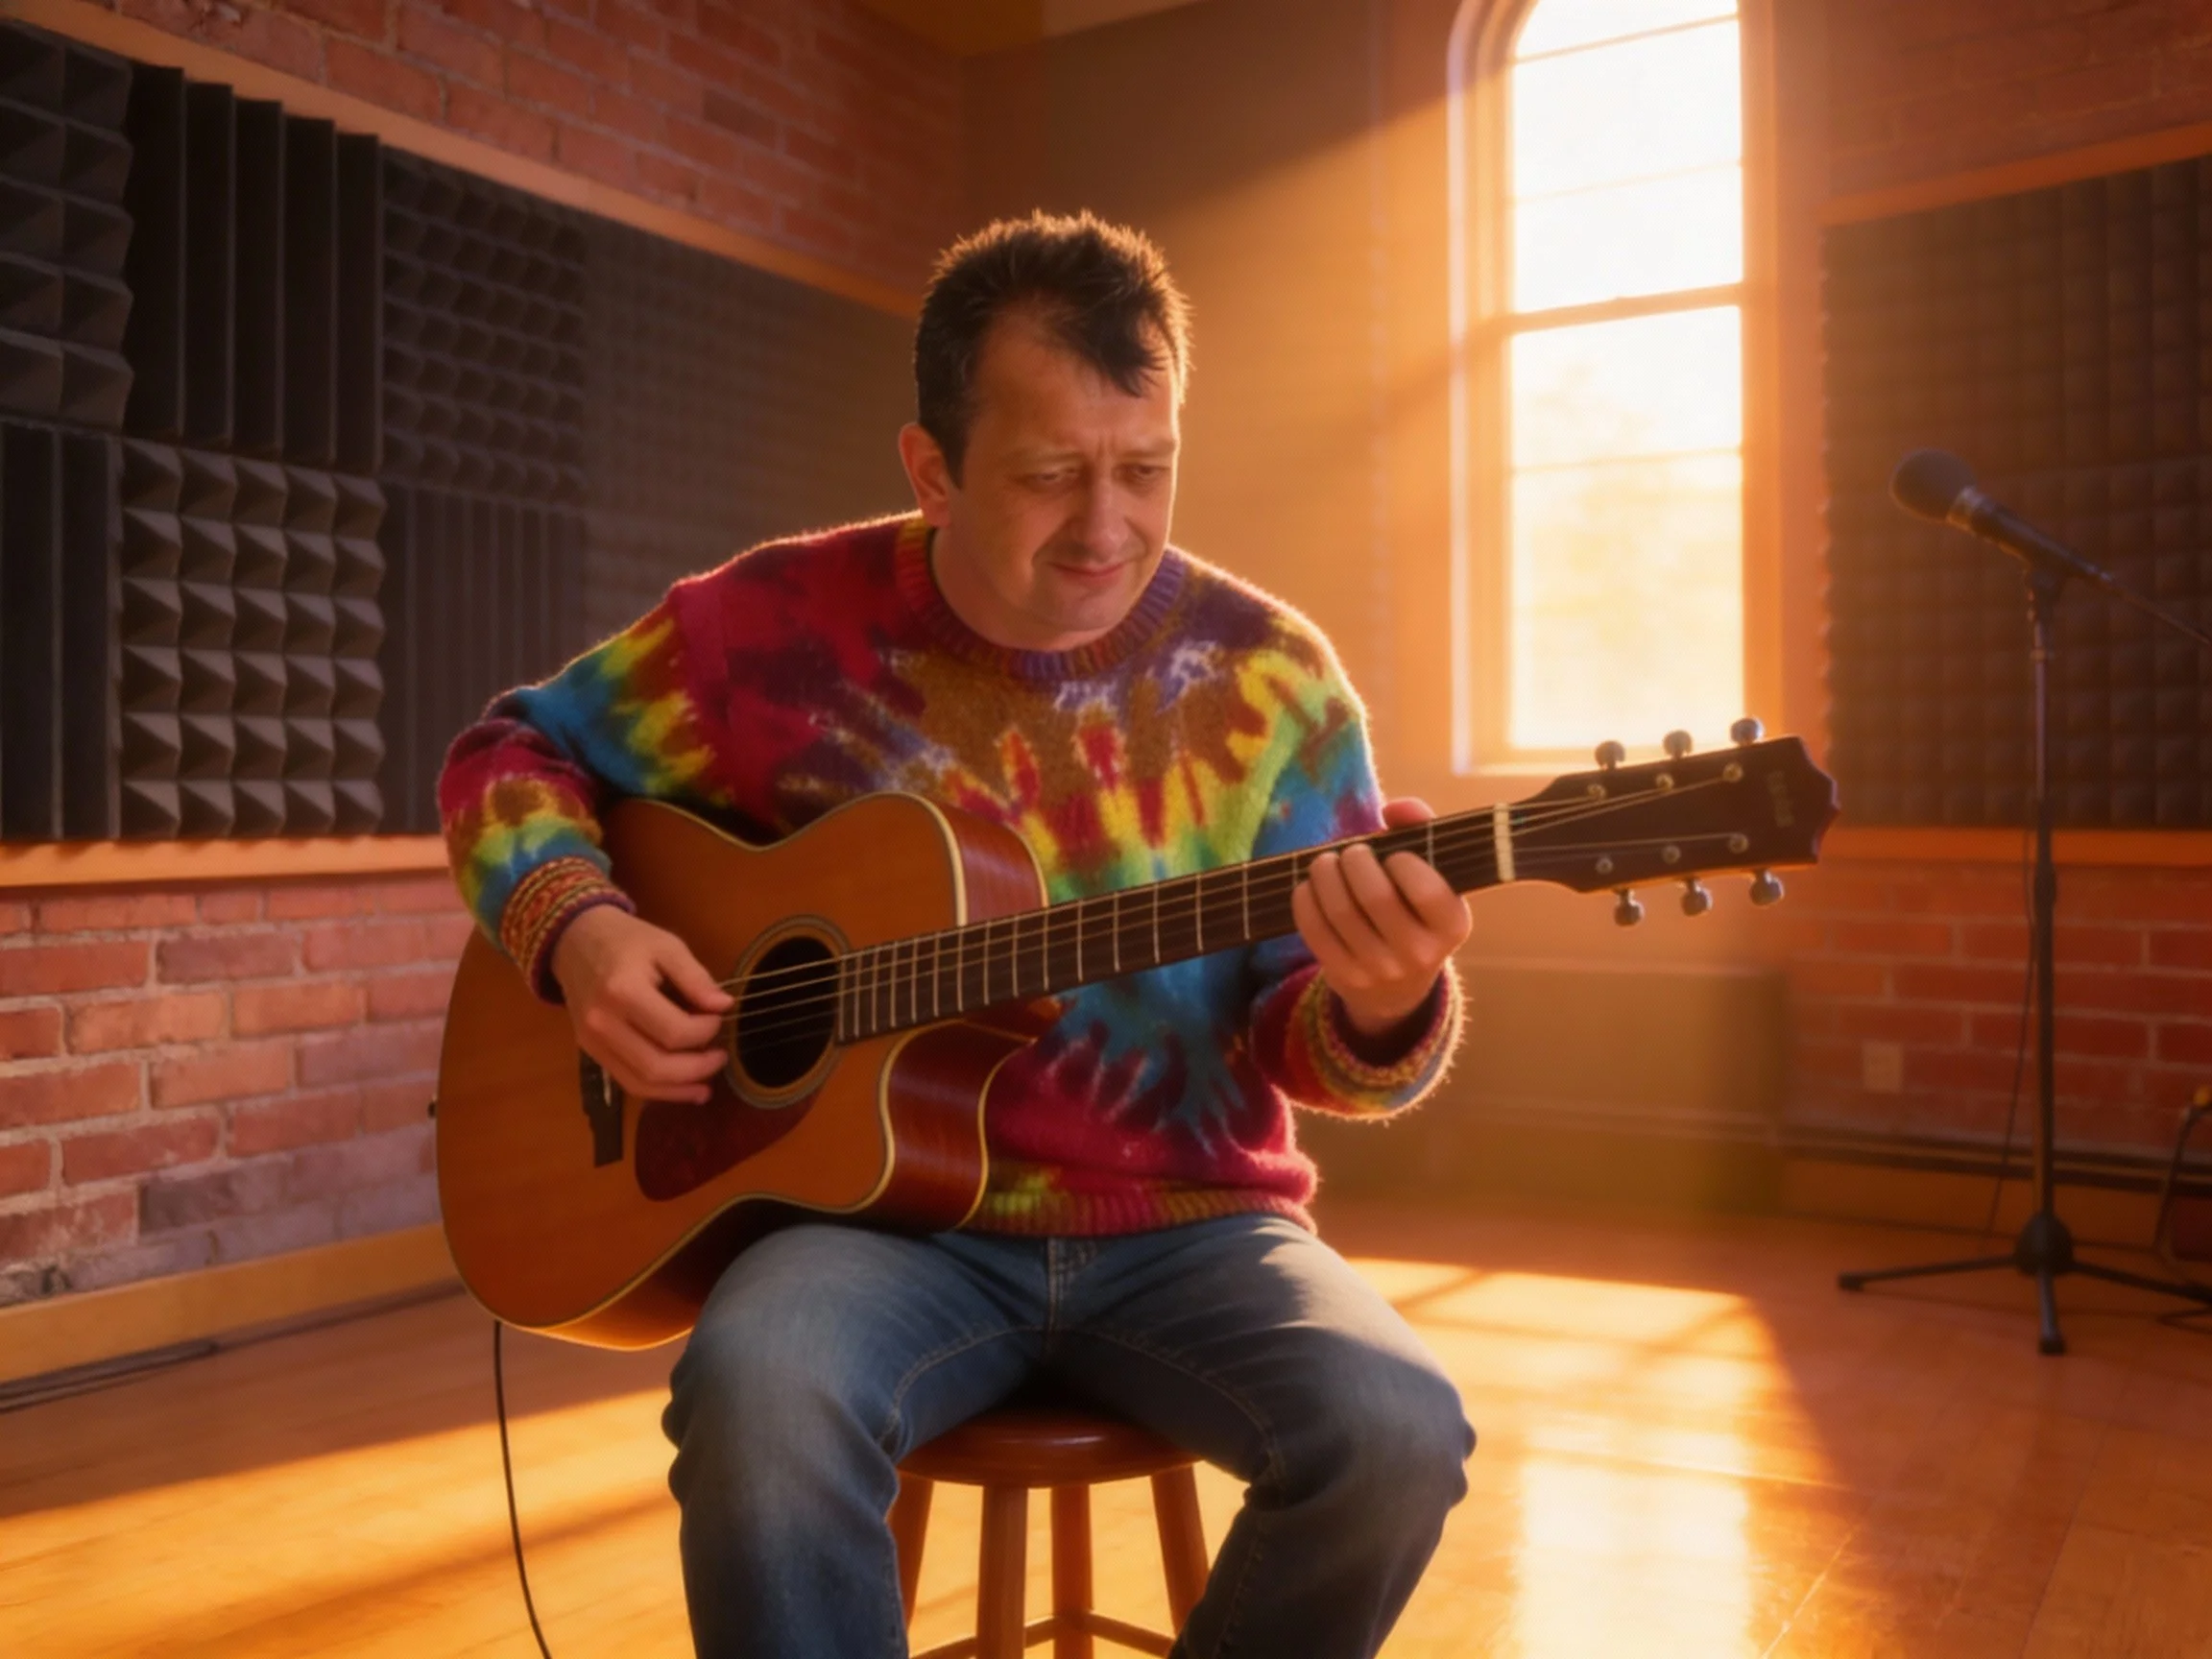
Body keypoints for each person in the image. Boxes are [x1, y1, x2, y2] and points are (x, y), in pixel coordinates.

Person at [439, 211, 1477, 1659]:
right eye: (1052, 476)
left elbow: (1321, 1050)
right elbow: (505, 755)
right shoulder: (773, 628)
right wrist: (584, 931)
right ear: (929, 467)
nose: (1107, 526)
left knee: (1401, 1431)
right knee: (759, 1387)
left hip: (1188, 1227)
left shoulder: (1273, 679)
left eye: (1147, 470)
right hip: (872, 1234)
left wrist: (1381, 1000)